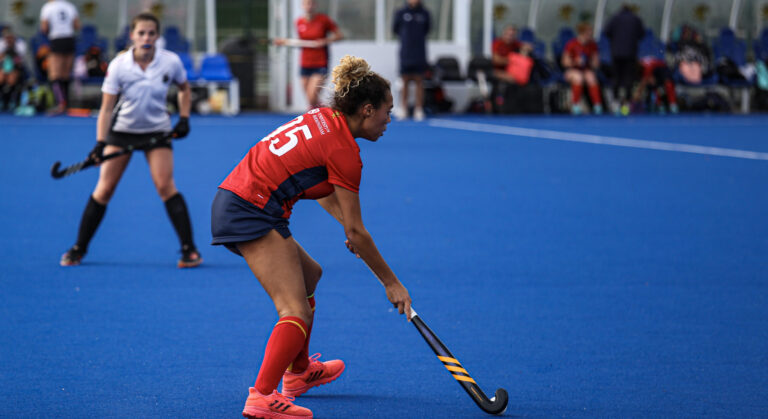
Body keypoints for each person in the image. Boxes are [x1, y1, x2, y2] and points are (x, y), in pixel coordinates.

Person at [211, 55, 412, 419]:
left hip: (242, 200)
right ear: (367, 110)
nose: (389, 120)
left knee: (310, 274)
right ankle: (262, 397)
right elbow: (357, 231)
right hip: (250, 209)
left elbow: (321, 192)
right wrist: (392, 283)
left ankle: (299, 373)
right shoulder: (345, 151)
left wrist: (348, 229)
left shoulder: (323, 119)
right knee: (294, 310)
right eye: (387, 111)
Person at [60, 12, 202, 268]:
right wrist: (100, 144)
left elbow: (184, 89)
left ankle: (189, 249)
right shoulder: (119, 65)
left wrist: (184, 118)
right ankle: (79, 248)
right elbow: (105, 109)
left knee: (165, 187)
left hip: (157, 131)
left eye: (151, 33)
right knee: (104, 189)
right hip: (122, 131)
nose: (146, 38)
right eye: (141, 33)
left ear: (157, 36)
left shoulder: (170, 62)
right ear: (132, 36)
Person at [274, 0, 343, 110]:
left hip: (320, 62)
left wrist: (325, 41)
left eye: (311, 3)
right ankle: (323, 113)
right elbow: (301, 42)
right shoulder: (299, 22)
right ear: (302, 6)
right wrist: (284, 42)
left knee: (311, 97)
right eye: (306, 4)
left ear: (315, 5)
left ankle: (322, 114)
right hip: (305, 63)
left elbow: (340, 36)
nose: (309, 6)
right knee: (311, 99)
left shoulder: (324, 20)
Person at [392, 0, 431, 121]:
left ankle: (418, 109)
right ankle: (404, 108)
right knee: (405, 80)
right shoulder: (401, 13)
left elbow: (427, 29)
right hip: (406, 52)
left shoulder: (425, 13)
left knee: (419, 81)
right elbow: (395, 29)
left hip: (419, 53)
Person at [39, 0, 80, 114]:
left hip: (57, 39)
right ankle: (65, 103)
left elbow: (44, 27)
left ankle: (60, 103)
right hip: (69, 39)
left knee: (54, 74)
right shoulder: (70, 6)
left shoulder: (48, 7)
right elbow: (77, 25)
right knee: (65, 74)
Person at [604, 4, 644, 115]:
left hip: (616, 53)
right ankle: (626, 103)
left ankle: (616, 102)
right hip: (630, 53)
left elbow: (606, 32)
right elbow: (642, 34)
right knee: (628, 78)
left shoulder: (615, 18)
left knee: (616, 77)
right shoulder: (635, 18)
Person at [562, 22, 604, 115]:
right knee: (578, 77)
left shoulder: (592, 45)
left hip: (585, 70)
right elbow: (565, 62)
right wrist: (575, 62)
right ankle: (575, 105)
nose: (590, 35)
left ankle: (597, 106)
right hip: (572, 70)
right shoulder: (572, 44)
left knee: (591, 77)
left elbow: (596, 63)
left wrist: (594, 62)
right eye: (588, 33)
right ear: (582, 33)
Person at [0, 26, 28, 111]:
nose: (9, 40)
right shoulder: (1, 44)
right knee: (1, 77)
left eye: (10, 38)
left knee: (12, 78)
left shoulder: (20, 44)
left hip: (16, 68)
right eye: (7, 38)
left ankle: (11, 100)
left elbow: (20, 62)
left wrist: (12, 53)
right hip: (3, 67)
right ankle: (4, 100)